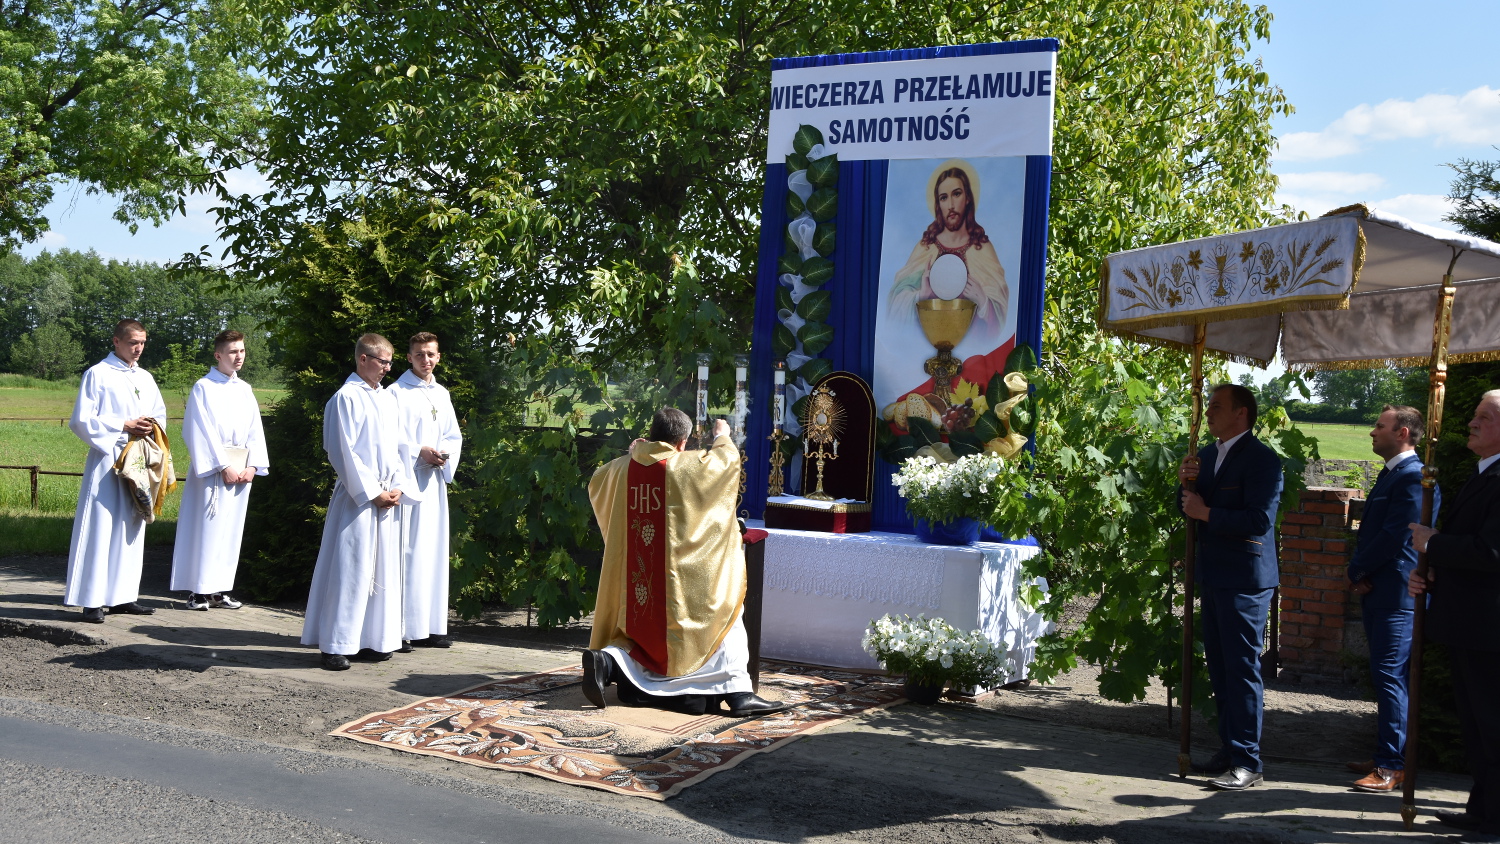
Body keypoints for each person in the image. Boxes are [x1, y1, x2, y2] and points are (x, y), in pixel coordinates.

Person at [582, 409, 786, 717]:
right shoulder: (688, 466)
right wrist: (722, 436)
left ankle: (608, 661)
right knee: (726, 605)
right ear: (683, 441)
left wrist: (633, 452)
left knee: (638, 633)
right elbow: (726, 465)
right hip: (681, 582)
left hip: (640, 586)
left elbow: (598, 481)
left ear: (651, 434)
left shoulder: (622, 468)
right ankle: (740, 693)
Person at [1178, 383, 1283, 790]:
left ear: (1241, 413)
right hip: (1214, 575)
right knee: (1220, 668)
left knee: (1242, 670)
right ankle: (1230, 748)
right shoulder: (1205, 456)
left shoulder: (1262, 461)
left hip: (1246, 580)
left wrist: (1207, 512)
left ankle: (1248, 762)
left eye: (1217, 407)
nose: (1209, 414)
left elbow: (1259, 521)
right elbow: (1189, 509)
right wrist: (1185, 485)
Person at [1409, 390, 1500, 841]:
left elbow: (1492, 553)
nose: (1473, 422)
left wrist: (1433, 544)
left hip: (1490, 628)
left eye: (1485, 417)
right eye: (1476, 414)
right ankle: (1482, 810)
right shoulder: (1483, 474)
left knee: (1493, 723)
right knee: (1478, 725)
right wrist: (1431, 576)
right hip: (1470, 622)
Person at [301, 334, 410, 671]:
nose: (388, 369)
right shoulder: (345, 398)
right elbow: (341, 450)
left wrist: (398, 486)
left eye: (391, 362)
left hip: (387, 497)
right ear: (363, 359)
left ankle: (371, 640)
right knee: (350, 569)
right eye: (382, 362)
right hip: (357, 498)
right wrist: (372, 492)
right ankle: (335, 644)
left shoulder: (387, 400)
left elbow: (399, 448)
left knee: (381, 570)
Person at [1345, 405, 1432, 792]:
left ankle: (1392, 766)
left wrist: (1358, 571)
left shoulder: (1412, 477)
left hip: (1398, 595)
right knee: (1385, 676)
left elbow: (1396, 536)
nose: (1372, 431)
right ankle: (1385, 754)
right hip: (1381, 591)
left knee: (1390, 676)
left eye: (1379, 425)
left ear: (1402, 433)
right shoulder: (1392, 474)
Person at [64, 319, 167, 623]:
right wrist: (122, 425)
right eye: (134, 342)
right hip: (107, 457)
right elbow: (81, 420)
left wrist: (150, 426)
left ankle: (122, 597)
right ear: (117, 341)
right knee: (101, 525)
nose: (139, 348)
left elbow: (159, 414)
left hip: (137, 456)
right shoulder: (97, 374)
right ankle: (92, 600)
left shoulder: (146, 378)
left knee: (131, 526)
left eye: (143, 343)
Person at [170, 330, 269, 610]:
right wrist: (222, 465)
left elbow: (254, 430)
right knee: (207, 527)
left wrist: (253, 466)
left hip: (241, 468)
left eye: (242, 351)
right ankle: (198, 591)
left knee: (230, 530)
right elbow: (198, 430)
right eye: (233, 352)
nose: (239, 357)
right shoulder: (204, 387)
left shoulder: (245, 389)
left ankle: (220, 590)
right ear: (218, 355)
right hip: (213, 469)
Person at [390, 332, 462, 650]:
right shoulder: (395, 393)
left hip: (433, 482)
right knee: (407, 552)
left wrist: (443, 455)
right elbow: (388, 438)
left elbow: (452, 435)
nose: (426, 360)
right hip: (408, 482)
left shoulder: (442, 394)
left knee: (432, 553)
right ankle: (402, 628)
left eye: (431, 354)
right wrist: (419, 450)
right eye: (419, 354)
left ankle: (432, 626)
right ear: (409, 357)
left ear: (439, 356)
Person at [888, 160, 1009, 334]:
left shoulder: (982, 248)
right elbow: (895, 299)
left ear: (967, 198)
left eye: (956, 194)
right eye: (944, 198)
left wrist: (983, 301)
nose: (951, 205)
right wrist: (921, 295)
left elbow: (1001, 314)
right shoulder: (926, 247)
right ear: (938, 204)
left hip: (969, 344)